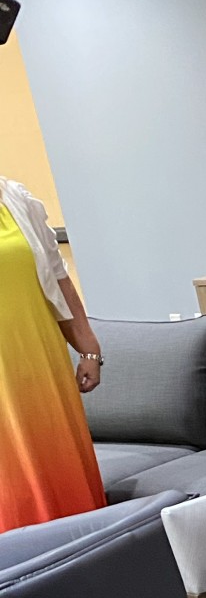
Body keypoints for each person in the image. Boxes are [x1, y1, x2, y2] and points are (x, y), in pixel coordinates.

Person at [0, 177, 105, 532]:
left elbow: (57, 277)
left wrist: (88, 347)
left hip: (39, 357)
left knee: (60, 467)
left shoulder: (15, 199)